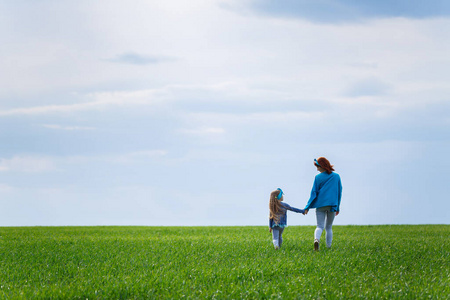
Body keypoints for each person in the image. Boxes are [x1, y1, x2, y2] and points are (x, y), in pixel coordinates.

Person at [303, 157, 342, 251]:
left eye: (318, 166)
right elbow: (339, 192)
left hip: (320, 205)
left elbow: (314, 193)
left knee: (319, 226)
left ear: (323, 166)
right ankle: (329, 247)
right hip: (332, 205)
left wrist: (307, 207)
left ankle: (316, 240)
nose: (317, 169)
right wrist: (338, 206)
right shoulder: (336, 176)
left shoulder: (317, 177)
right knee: (328, 227)